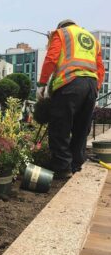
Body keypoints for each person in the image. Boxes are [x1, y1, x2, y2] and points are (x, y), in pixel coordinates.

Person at [36, 19, 105, 179]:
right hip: (91, 85)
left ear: (61, 26)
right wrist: (96, 88)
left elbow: (51, 58)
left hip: (70, 84)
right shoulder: (92, 39)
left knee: (60, 126)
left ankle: (62, 167)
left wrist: (42, 83)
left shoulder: (61, 34)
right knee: (82, 128)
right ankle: (75, 164)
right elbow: (100, 67)